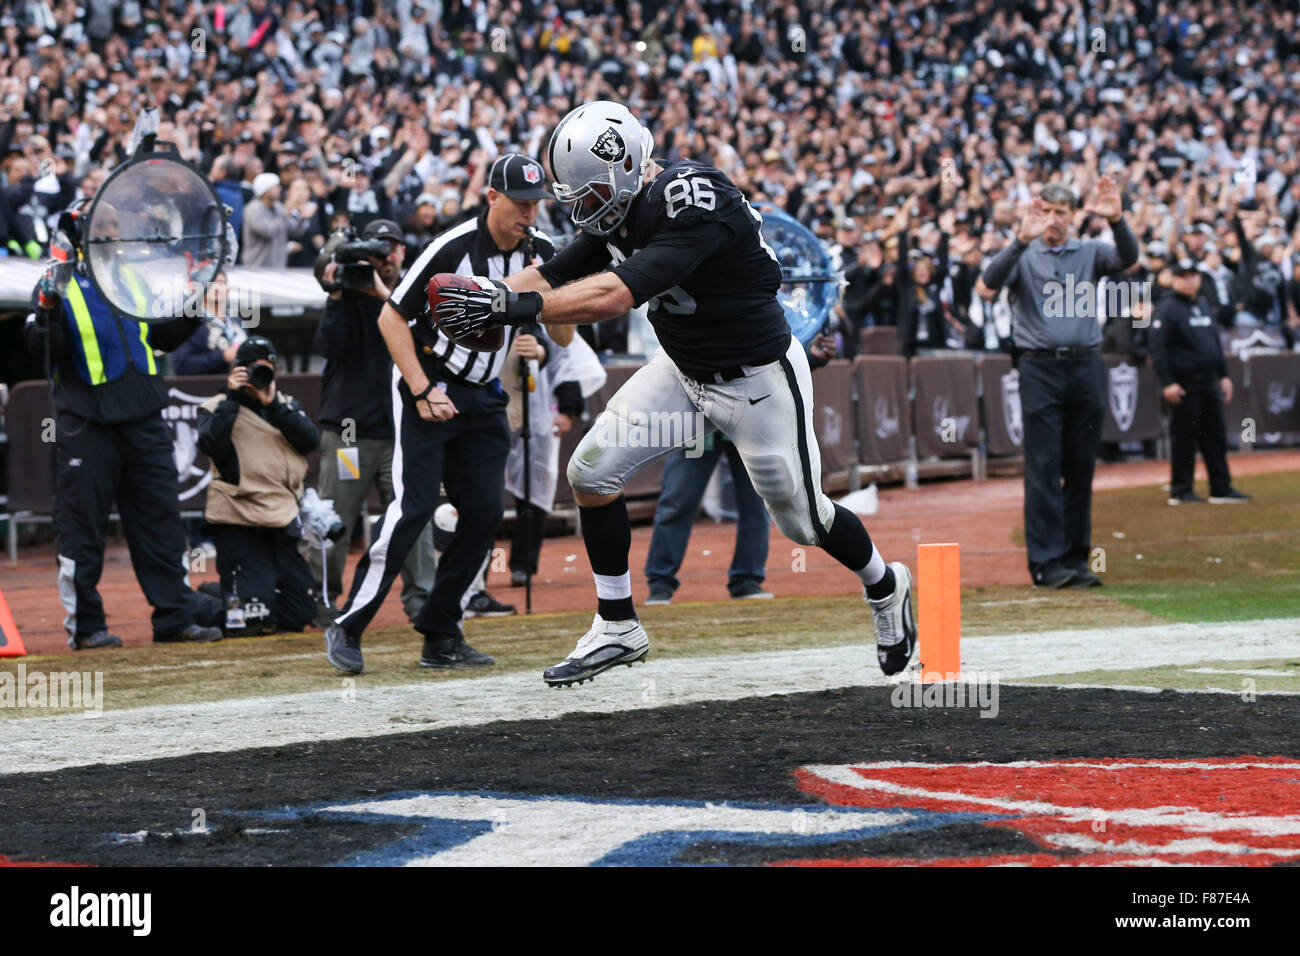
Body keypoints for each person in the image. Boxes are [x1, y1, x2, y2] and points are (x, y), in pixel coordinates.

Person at [430, 101, 916, 687]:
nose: (583, 211)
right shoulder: (619, 211)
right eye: (575, 198)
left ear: (628, 166)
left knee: (804, 520)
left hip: (755, 381)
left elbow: (614, 294)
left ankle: (885, 587)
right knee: (590, 472)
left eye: (589, 196)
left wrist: (509, 307)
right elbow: (556, 273)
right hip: (684, 372)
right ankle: (617, 624)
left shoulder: (694, 199)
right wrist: (488, 294)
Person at [322, 152, 561, 674]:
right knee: (414, 506)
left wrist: (553, 304)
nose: (529, 214)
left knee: (481, 516)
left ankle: (440, 630)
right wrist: (422, 387)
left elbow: (562, 330)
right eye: (519, 204)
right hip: (429, 380)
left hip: (485, 393)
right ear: (491, 197)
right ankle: (349, 621)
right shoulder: (449, 247)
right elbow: (391, 317)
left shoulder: (540, 252)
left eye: (536, 204)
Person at [23, 206, 224, 649]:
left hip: (145, 422)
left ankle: (174, 617)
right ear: (81, 235)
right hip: (86, 427)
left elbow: (161, 338)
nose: (116, 232)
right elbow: (41, 347)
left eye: (116, 225)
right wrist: (48, 304)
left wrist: (196, 305)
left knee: (162, 525)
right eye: (108, 226)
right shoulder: (53, 284)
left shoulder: (131, 280)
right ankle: (88, 627)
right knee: (82, 529)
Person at [981, 180, 1139, 590]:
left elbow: (1128, 258)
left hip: (1087, 364)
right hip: (1039, 368)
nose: (1052, 220)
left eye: (1060, 213)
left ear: (1072, 216)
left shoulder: (1089, 251)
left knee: (1082, 467)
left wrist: (1117, 219)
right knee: (1043, 468)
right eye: (1046, 211)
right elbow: (988, 283)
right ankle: (1046, 563)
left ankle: (1075, 558)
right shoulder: (1024, 251)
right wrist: (1018, 240)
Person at [644, 333, 838, 604]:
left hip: (751, 416)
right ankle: (660, 583)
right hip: (700, 415)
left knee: (757, 503)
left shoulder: (753, 299)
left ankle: (747, 579)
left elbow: (774, 358)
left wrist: (811, 358)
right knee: (678, 499)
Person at [311, 218, 436, 622]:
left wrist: (388, 297)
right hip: (349, 434)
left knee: (413, 517)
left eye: (391, 248)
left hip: (401, 434)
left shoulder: (413, 293)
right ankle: (323, 599)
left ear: (401, 253)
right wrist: (336, 296)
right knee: (335, 519)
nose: (384, 257)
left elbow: (427, 344)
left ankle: (422, 602)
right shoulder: (346, 295)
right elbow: (329, 347)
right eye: (376, 249)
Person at [196, 336, 321, 635]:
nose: (260, 377)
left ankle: (223, 591)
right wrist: (233, 396)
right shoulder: (216, 406)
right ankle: (195, 604)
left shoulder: (286, 405)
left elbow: (310, 442)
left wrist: (274, 405)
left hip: (280, 519)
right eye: (253, 370)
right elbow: (212, 444)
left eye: (267, 369)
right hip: (238, 520)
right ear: (239, 370)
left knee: (299, 615)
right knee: (252, 621)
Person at [1153, 260, 1251, 506]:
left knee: (1216, 436)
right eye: (1184, 276)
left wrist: (1224, 375)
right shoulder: (1167, 308)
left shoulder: (1203, 304)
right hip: (1185, 384)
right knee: (1184, 437)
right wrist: (1168, 382)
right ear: (1174, 279)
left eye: (1193, 275)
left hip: (1209, 381)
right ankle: (1181, 489)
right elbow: (1158, 347)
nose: (1189, 280)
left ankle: (1221, 488)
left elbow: (1214, 344)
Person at [169, 268, 247, 374]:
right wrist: (223, 356)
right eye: (210, 282)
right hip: (205, 387)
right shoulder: (188, 322)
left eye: (220, 283)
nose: (216, 287)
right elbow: (182, 365)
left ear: (228, 289)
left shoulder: (237, 322)